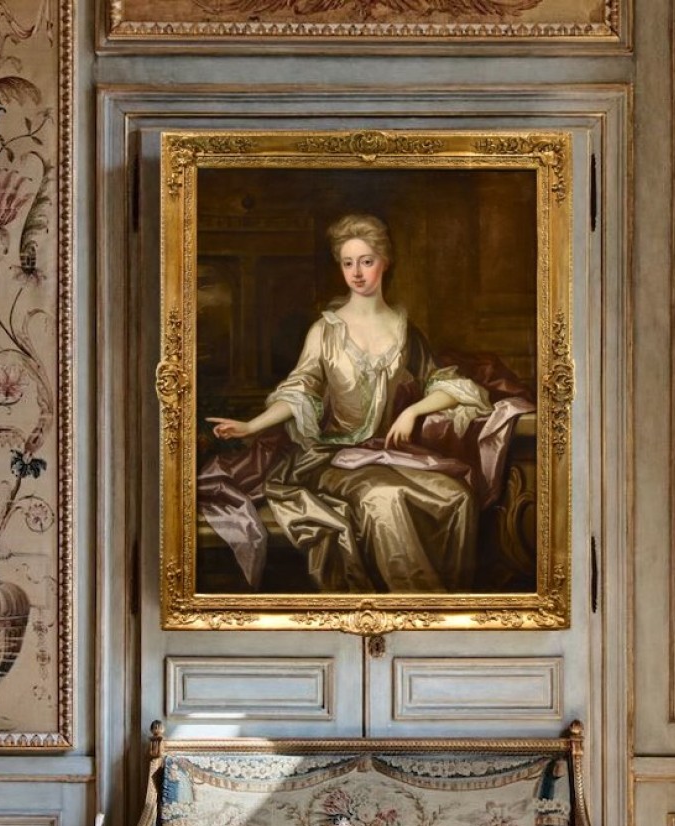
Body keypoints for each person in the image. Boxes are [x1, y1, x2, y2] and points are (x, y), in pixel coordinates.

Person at [205, 213, 495, 593]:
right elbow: (300, 392)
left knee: (456, 496)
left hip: (387, 455)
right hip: (330, 459)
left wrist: (413, 410)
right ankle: (415, 606)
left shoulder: (405, 331)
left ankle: (448, 606)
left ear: (384, 262)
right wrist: (251, 426)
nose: (356, 273)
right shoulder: (325, 331)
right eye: (347, 263)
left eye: (366, 261)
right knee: (383, 498)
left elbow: (447, 384)